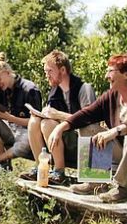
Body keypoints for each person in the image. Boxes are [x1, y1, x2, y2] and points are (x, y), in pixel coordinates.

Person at [48, 53, 127, 203]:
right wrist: (61, 128)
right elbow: (87, 113)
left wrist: (114, 131)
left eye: (110, 71)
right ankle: (95, 182)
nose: (106, 76)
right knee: (88, 127)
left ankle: (122, 188)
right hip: (123, 152)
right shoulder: (111, 96)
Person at [20, 50, 97, 185]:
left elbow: (90, 123)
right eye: (45, 72)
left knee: (47, 124)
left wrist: (57, 115)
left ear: (62, 70)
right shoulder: (55, 92)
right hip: (58, 140)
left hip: (81, 143)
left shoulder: (84, 89)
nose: (46, 76)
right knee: (34, 121)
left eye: (49, 71)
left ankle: (59, 172)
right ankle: (41, 168)